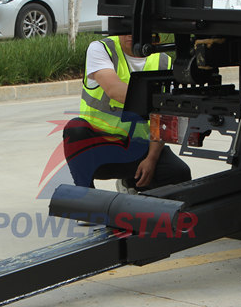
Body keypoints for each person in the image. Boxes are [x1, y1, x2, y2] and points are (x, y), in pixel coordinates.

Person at [62, 34, 191, 192]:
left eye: (136, 28)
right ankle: (86, 193)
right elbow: (114, 89)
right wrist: (162, 99)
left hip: (138, 149)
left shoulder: (163, 61)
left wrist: (151, 158)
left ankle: (131, 183)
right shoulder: (102, 49)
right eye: (126, 27)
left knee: (179, 174)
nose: (131, 33)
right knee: (75, 130)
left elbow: (163, 120)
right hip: (100, 147)